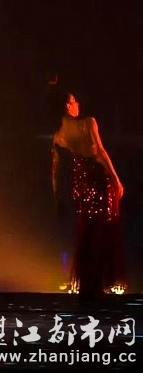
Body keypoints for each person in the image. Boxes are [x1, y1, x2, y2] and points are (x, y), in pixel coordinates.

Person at [50, 85, 126, 301]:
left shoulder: (59, 135)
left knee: (88, 231)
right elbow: (100, 152)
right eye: (74, 101)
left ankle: (90, 284)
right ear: (67, 105)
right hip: (98, 181)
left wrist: (57, 197)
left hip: (81, 185)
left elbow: (55, 170)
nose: (78, 104)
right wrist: (116, 179)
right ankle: (96, 284)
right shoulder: (88, 123)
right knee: (102, 229)